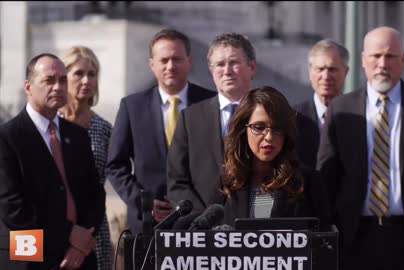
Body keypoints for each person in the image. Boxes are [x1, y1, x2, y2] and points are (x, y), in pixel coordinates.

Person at [316, 26, 404, 270]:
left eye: (390, 56)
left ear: (403, 60)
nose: (382, 63)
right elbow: (327, 175)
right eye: (375, 56)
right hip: (355, 238)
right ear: (363, 60)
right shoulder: (341, 109)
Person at [0, 53, 105, 269]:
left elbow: (95, 194)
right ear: (28, 87)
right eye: (49, 80)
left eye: (62, 80)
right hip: (31, 258)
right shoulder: (8, 137)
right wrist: (68, 234)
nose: (58, 87)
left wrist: (80, 245)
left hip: (80, 258)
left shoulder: (77, 135)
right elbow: (12, 207)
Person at [106, 29, 215, 234]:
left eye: (177, 59)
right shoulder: (132, 107)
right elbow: (115, 166)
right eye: (164, 60)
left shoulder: (210, 103)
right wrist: (143, 202)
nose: (170, 66)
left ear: (189, 61)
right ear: (152, 65)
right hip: (148, 225)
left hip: (200, 226)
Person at [167, 32, 256, 212]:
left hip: (257, 230)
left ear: (252, 67)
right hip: (204, 230)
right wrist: (204, 220)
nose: (227, 71)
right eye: (220, 64)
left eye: (234, 63)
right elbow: (177, 181)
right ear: (211, 71)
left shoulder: (271, 115)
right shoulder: (189, 119)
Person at [222, 86, 331, 227]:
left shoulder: (308, 182)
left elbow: (323, 241)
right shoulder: (227, 180)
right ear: (243, 129)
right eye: (259, 127)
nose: (269, 137)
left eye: (277, 128)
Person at [58, 46, 112, 270]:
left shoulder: (104, 129)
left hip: (93, 229)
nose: (86, 80)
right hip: (52, 227)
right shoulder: (47, 125)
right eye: (78, 74)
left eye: (92, 74)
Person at [295, 39, 349, 169]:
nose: (325, 76)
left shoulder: (360, 116)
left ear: (346, 72)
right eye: (320, 69)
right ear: (310, 71)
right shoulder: (293, 118)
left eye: (332, 69)